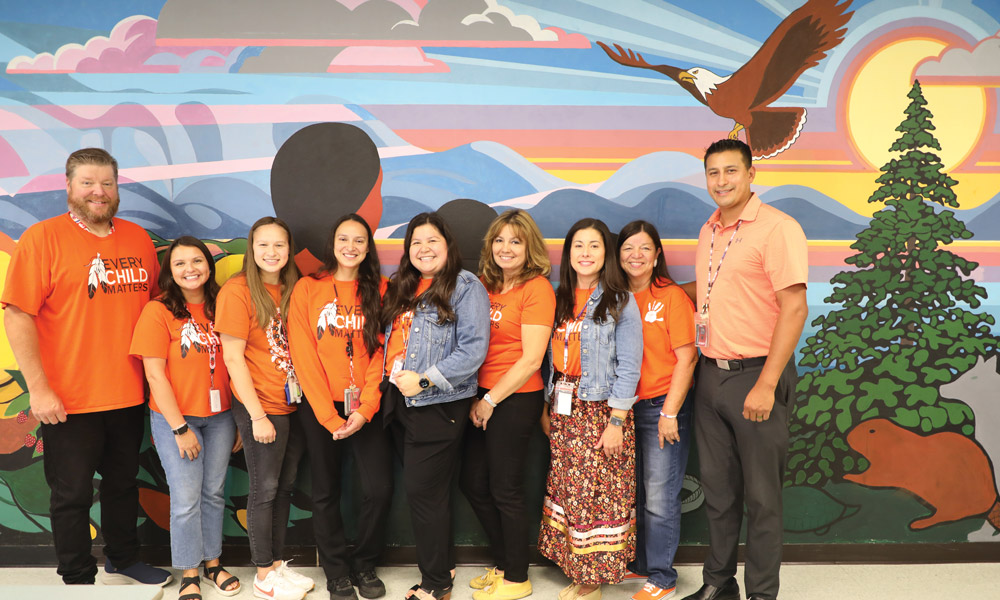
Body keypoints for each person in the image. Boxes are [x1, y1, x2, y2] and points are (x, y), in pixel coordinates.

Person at [1, 148, 171, 586]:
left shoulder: (137, 239)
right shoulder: (43, 239)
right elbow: (18, 315)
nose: (99, 191)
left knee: (122, 484)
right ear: (69, 187)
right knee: (72, 493)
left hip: (130, 393)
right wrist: (39, 390)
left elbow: (154, 315)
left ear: (117, 188)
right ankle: (78, 574)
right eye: (88, 183)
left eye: (107, 183)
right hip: (68, 398)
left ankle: (123, 558)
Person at [679, 139, 808, 600]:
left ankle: (762, 594)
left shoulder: (777, 228)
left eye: (731, 171)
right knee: (719, 492)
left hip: (757, 376)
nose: (721, 181)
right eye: (713, 173)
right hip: (711, 375)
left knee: (762, 498)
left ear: (751, 174)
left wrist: (767, 384)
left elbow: (794, 308)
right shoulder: (709, 229)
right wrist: (658, 292)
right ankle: (719, 584)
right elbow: (714, 288)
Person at [379, 212, 490, 600]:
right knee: (433, 493)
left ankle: (435, 585)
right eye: (416, 243)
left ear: (448, 245)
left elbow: (473, 351)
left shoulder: (465, 286)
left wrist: (424, 379)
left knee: (423, 494)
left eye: (432, 241)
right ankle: (444, 567)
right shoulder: (401, 286)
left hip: (438, 403)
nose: (424, 249)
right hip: (398, 401)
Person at [287, 214, 393, 600]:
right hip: (320, 408)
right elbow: (303, 356)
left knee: (379, 488)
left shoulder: (383, 289)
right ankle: (336, 570)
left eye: (359, 240)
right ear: (333, 244)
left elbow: (384, 355)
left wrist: (364, 410)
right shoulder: (307, 289)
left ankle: (365, 565)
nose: (351, 246)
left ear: (368, 247)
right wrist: (330, 417)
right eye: (343, 238)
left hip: (369, 406)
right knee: (325, 491)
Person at [130, 236, 241, 600]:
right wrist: (180, 428)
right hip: (176, 419)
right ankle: (189, 572)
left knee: (213, 493)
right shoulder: (158, 311)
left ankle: (213, 563)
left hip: (222, 416)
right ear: (170, 271)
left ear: (209, 267)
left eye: (197, 261)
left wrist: (240, 418)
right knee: (186, 498)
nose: (190, 269)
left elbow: (240, 362)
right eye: (180, 263)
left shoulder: (223, 305)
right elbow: (155, 376)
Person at [537, 218, 642, 600]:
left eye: (594, 246)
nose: (585, 253)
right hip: (564, 406)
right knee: (569, 490)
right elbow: (550, 358)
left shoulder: (619, 300)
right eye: (578, 245)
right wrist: (547, 406)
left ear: (606, 253)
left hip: (602, 410)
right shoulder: (558, 297)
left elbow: (630, 366)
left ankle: (591, 580)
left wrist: (616, 421)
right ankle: (575, 566)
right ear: (567, 254)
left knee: (599, 493)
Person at [460, 210, 555, 600]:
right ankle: (503, 564)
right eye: (499, 240)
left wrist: (490, 400)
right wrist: (477, 397)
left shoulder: (537, 289)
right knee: (472, 482)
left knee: (506, 488)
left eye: (516, 241)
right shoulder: (483, 286)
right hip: (479, 395)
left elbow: (532, 359)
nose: (506, 248)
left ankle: (517, 578)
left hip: (514, 398)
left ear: (529, 246)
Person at [216, 217, 312, 600]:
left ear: (289, 249)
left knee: (285, 487)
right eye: (263, 245)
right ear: (251, 250)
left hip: (295, 404)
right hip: (261, 406)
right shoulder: (238, 291)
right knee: (265, 489)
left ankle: (276, 565)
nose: (271, 253)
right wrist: (256, 416)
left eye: (279, 245)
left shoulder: (294, 288)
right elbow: (233, 359)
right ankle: (262, 573)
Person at [617, 221, 697, 600]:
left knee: (661, 496)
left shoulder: (670, 297)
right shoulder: (613, 297)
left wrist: (669, 413)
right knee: (635, 493)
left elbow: (687, 358)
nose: (636, 255)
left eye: (644, 248)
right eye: (628, 248)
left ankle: (663, 576)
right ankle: (643, 563)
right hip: (623, 410)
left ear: (657, 255)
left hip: (661, 407)